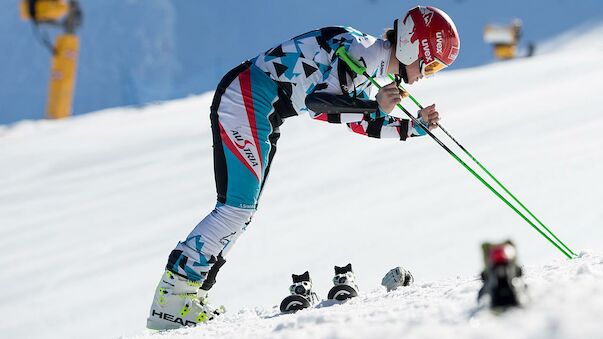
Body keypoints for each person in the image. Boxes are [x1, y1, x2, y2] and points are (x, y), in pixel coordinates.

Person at [147, 5, 460, 330]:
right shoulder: (362, 50)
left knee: (241, 209)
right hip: (248, 97)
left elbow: (357, 121)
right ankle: (175, 296)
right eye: (431, 63)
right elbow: (320, 105)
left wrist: (412, 127)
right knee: (235, 209)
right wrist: (375, 105)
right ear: (412, 45)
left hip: (260, 106)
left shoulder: (373, 61)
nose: (428, 73)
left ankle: (185, 295)